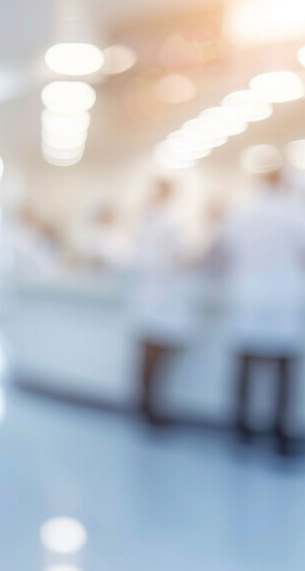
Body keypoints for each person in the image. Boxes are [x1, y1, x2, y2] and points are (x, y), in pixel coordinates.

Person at [218, 161, 305, 456]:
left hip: (249, 297)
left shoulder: (243, 211)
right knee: (283, 372)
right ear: (286, 181)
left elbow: (224, 249)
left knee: (246, 369)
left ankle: (240, 432)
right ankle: (280, 436)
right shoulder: (298, 211)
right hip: (283, 299)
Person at [132, 179, 195, 426]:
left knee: (148, 358)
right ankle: (150, 410)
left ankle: (146, 407)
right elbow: (180, 258)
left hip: (151, 298)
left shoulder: (148, 222)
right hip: (163, 300)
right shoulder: (167, 224)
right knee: (155, 359)